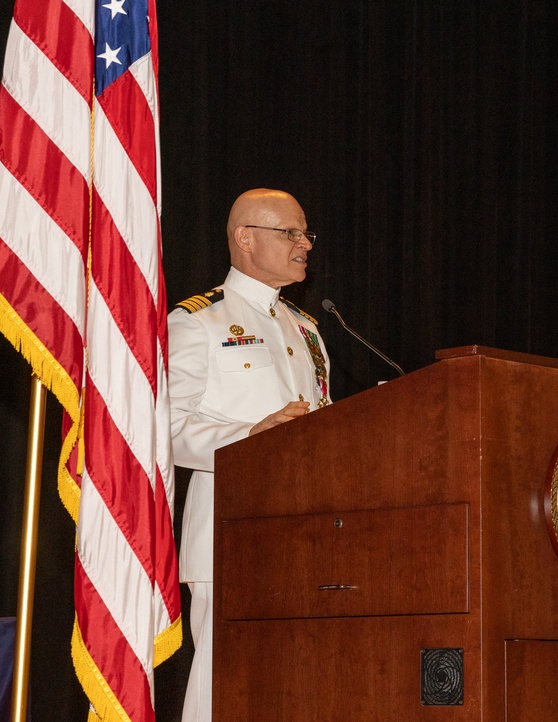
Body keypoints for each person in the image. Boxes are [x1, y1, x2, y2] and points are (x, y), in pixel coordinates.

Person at [167, 188, 331, 721]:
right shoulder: (199, 322)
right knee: (226, 686)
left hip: (307, 537)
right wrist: (251, 437)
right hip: (229, 535)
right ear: (244, 237)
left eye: (305, 233)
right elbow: (165, 430)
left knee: (297, 689)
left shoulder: (307, 330)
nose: (304, 243)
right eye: (290, 232)